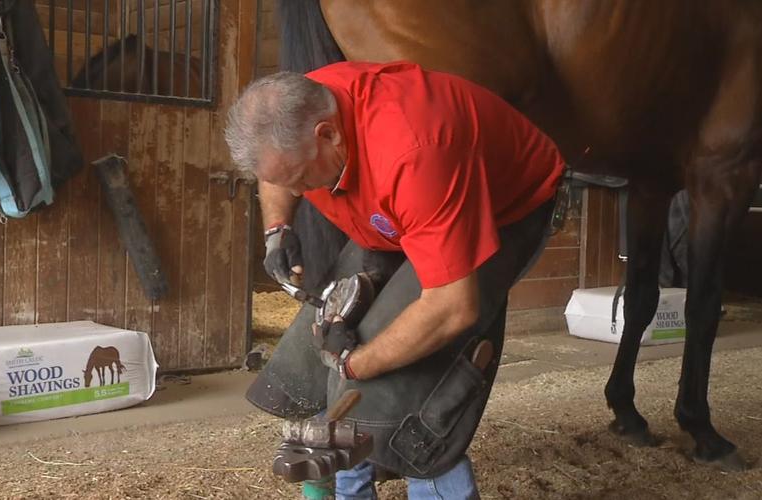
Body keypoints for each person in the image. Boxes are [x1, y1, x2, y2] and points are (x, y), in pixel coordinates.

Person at [225, 61, 566, 500]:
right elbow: (272, 170)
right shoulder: (300, 106)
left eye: (299, 179)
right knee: (314, 364)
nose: (298, 192)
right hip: (399, 210)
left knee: (406, 395)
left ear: (328, 134)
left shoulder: (413, 152)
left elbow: (451, 306)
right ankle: (351, 485)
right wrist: (277, 230)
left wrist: (358, 364)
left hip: (501, 209)